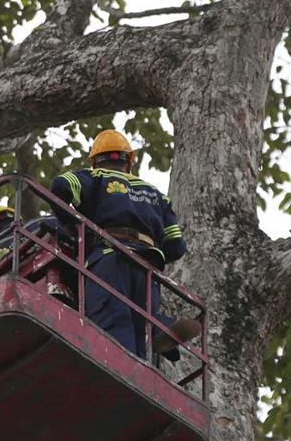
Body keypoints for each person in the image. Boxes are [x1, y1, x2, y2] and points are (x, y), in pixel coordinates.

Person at [50, 129, 199, 360]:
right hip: (148, 266)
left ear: (95, 161)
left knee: (112, 317)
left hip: (109, 256)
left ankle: (124, 364)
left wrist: (74, 226)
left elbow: (61, 186)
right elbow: (176, 246)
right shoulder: (156, 195)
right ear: (129, 160)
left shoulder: (96, 178)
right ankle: (160, 327)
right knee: (142, 321)